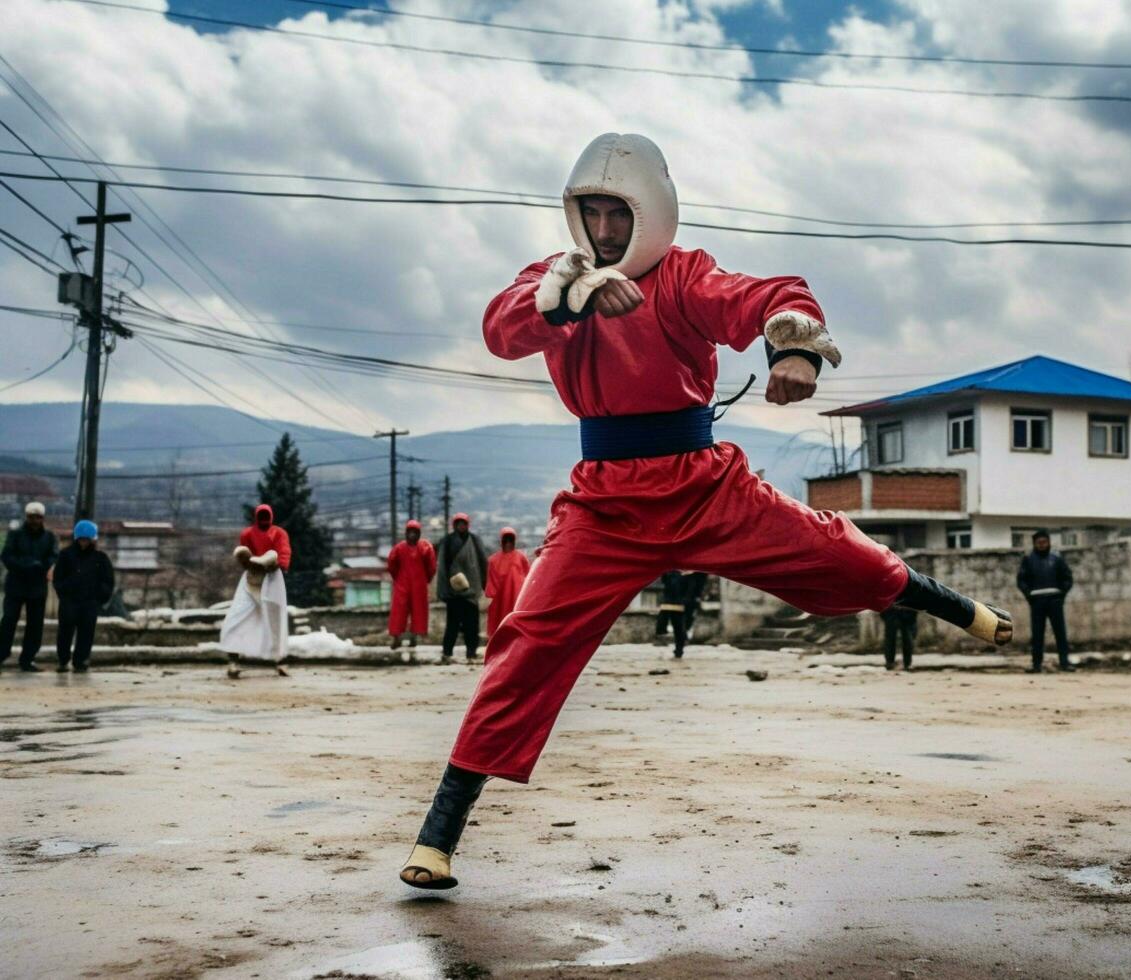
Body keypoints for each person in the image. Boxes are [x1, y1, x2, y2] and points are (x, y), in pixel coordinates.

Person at [398, 132, 1012, 890]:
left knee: (835, 553)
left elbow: (766, 299)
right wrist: (569, 293)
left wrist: (796, 352)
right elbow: (500, 330)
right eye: (590, 215)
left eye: (617, 216)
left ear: (649, 212)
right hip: (604, 503)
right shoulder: (554, 279)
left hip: (704, 485)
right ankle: (438, 835)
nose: (603, 232)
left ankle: (955, 606)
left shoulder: (685, 276)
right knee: (527, 642)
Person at [221, 503, 292, 679]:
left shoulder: (278, 533)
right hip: (251, 577)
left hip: (272, 577)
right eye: (261, 516)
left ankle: (280, 661)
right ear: (256, 517)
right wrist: (249, 562)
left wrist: (279, 564)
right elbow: (245, 554)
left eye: (266, 516)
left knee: (275, 620)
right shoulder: (247, 534)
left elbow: (283, 553)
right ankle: (233, 661)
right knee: (236, 618)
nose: (264, 519)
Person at [1, 501, 59, 672]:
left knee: (35, 625)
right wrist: (25, 565)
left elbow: (53, 556)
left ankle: (27, 659)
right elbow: (6, 556)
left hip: (37, 586)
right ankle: (2, 654)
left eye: (38, 517)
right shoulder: (15, 535)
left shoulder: (49, 537)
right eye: (32, 517)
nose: (34, 521)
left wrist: (40, 567)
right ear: (27, 517)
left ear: (43, 518)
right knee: (8, 621)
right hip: (16, 585)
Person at [51, 520, 115, 674]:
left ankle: (81, 661)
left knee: (86, 632)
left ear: (93, 539)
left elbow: (108, 581)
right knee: (65, 632)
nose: (84, 542)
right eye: (82, 539)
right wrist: (64, 593)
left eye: (87, 539)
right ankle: (63, 659)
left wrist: (99, 598)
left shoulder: (100, 558)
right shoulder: (66, 555)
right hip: (69, 601)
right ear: (77, 538)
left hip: (90, 602)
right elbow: (58, 578)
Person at [1017, 530, 1074, 673]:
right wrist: (1029, 595)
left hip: (1055, 601)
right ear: (1034, 544)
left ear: (1048, 542)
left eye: (1044, 542)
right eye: (1039, 543)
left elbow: (1067, 578)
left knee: (1060, 632)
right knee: (1037, 634)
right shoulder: (1028, 560)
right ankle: (1036, 665)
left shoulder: (1057, 559)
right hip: (1037, 602)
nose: (1042, 545)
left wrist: (1061, 595)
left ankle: (1065, 663)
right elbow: (1021, 580)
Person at [436, 513, 487, 665]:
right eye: (458, 524)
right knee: (452, 625)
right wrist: (444, 589)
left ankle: (471, 653)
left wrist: (484, 584)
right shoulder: (448, 541)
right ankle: (447, 653)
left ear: (468, 525)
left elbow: (482, 563)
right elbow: (443, 568)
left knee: (472, 626)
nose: (461, 526)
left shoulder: (475, 541)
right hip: (453, 593)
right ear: (454, 525)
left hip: (471, 591)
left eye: (463, 524)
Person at [387, 519, 437, 659]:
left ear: (419, 533)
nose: (412, 535)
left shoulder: (424, 548)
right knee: (399, 612)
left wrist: (425, 579)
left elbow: (431, 565)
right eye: (410, 532)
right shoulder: (400, 548)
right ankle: (396, 639)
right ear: (406, 533)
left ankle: (414, 638)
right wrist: (398, 578)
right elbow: (391, 564)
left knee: (418, 612)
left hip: (417, 584)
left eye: (415, 532)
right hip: (404, 583)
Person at [484, 526, 530, 650]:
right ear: (502, 541)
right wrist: (491, 596)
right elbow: (491, 580)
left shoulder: (521, 557)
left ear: (514, 541)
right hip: (501, 598)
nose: (508, 543)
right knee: (500, 622)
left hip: (516, 596)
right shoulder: (493, 560)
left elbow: (528, 575)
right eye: (506, 540)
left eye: (511, 540)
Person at [655, 570, 692, 658]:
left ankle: (678, 649)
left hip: (674, 604)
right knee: (678, 628)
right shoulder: (673, 574)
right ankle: (679, 649)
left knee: (676, 628)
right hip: (674, 604)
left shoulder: (673, 575)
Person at [880, 603, 920, 671]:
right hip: (894, 610)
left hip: (903, 610)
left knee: (906, 638)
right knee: (892, 638)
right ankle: (893, 663)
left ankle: (903, 663)